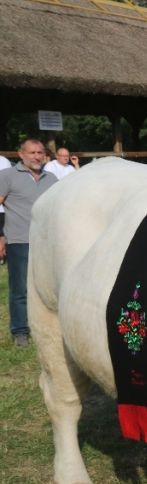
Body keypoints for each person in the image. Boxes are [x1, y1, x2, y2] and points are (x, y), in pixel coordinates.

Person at [0, 139, 59, 348]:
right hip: (20, 240)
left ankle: (49, 328)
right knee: (20, 289)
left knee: (49, 287)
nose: (36, 156)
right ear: (21, 154)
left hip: (47, 242)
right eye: (32, 152)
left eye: (40, 153)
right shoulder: (7, 176)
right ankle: (20, 332)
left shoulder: (51, 177)